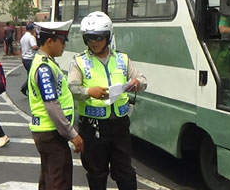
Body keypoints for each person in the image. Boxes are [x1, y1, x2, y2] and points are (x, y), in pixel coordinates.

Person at [68, 11, 147, 190]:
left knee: (125, 172)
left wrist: (136, 83)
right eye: (89, 38)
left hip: (119, 125)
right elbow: (71, 88)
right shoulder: (79, 62)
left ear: (108, 36)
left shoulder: (122, 59)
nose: (94, 42)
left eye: (98, 38)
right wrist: (89, 91)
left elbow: (142, 80)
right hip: (92, 127)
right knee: (97, 173)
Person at [27, 19, 84, 190]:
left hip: (46, 132)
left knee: (48, 179)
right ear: (50, 41)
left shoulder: (47, 62)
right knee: (60, 182)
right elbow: (52, 105)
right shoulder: (44, 68)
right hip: (51, 132)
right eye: (62, 41)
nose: (64, 46)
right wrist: (72, 134)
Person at [19, 23, 39, 96]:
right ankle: (25, 88)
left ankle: (26, 88)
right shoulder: (31, 37)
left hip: (24, 58)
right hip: (30, 58)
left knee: (29, 74)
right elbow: (34, 46)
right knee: (32, 75)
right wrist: (39, 48)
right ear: (32, 29)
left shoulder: (23, 37)